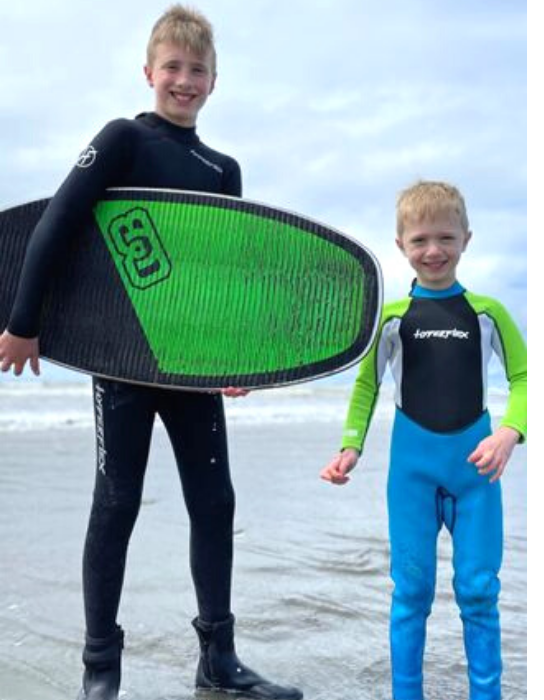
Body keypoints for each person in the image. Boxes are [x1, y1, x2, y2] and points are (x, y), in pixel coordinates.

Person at [0, 7, 299, 699]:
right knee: (117, 502)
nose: (184, 80)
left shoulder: (222, 170)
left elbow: (219, 278)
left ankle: (218, 663)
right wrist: (24, 322)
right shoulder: (123, 139)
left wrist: (235, 358)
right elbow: (56, 224)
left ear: (214, 81)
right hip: (122, 359)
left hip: (189, 361)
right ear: (148, 72)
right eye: (172, 67)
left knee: (215, 502)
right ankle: (100, 670)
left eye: (197, 70)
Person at [320, 180, 526, 700]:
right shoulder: (391, 318)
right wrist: (351, 446)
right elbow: (367, 384)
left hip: (476, 472)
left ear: (466, 239)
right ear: (400, 246)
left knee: (478, 592)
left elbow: (524, 378)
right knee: (411, 591)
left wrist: (509, 431)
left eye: (445, 238)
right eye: (419, 241)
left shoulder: (488, 312)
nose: (433, 251)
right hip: (410, 473)